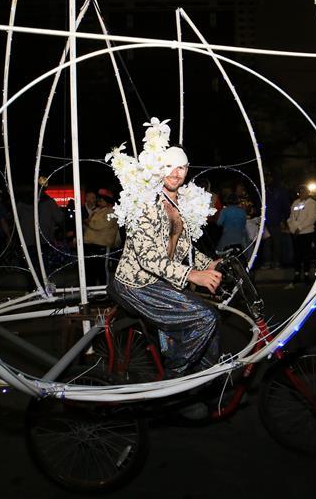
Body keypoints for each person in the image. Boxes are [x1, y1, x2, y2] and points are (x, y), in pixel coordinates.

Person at [110, 146, 222, 378]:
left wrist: (208, 264)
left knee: (212, 320)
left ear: (187, 170)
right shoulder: (145, 204)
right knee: (204, 317)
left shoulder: (182, 204)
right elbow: (149, 258)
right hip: (136, 284)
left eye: (180, 167)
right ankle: (175, 379)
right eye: (168, 166)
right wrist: (192, 275)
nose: (175, 173)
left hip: (163, 281)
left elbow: (182, 246)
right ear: (158, 169)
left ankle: (204, 380)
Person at [83, 188, 119, 286]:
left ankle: (105, 291)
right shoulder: (98, 210)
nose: (99, 201)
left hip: (102, 245)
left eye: (101, 200)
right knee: (91, 270)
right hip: (91, 244)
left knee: (101, 269)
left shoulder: (113, 212)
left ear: (107, 201)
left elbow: (99, 225)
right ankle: (92, 290)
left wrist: (88, 222)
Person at [285, 184, 316, 287]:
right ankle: (297, 274)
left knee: (306, 254)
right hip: (295, 233)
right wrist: (292, 228)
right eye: (299, 192)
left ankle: (307, 274)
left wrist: (300, 228)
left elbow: (311, 219)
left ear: (308, 192)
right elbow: (291, 217)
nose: (301, 194)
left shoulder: (312, 203)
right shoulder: (295, 202)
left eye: (303, 191)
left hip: (306, 232)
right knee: (297, 254)